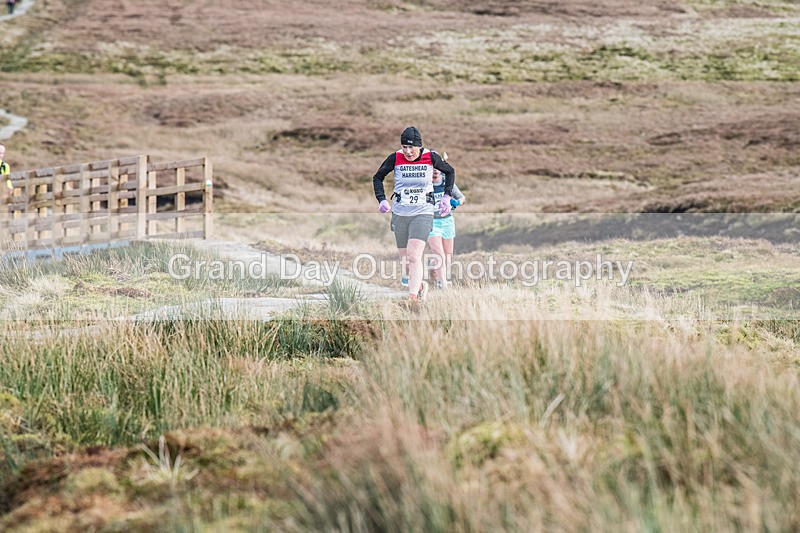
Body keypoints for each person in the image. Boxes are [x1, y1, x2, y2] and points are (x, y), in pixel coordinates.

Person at [373, 126, 455, 302]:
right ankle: (419, 286)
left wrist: (447, 197)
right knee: (406, 261)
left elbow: (450, 171)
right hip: (400, 212)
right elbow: (377, 177)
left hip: (423, 212)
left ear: (419, 146)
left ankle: (412, 298)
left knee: (413, 255)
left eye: (411, 147)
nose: (408, 151)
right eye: (404, 147)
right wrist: (382, 199)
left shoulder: (430, 157)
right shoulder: (395, 157)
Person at [427, 166, 465, 289]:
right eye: (432, 167)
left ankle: (432, 264)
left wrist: (457, 202)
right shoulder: (424, 184)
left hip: (448, 221)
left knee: (448, 257)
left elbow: (462, 198)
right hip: (431, 222)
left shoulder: (447, 183)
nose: (435, 170)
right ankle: (442, 284)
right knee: (440, 255)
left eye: (437, 167)